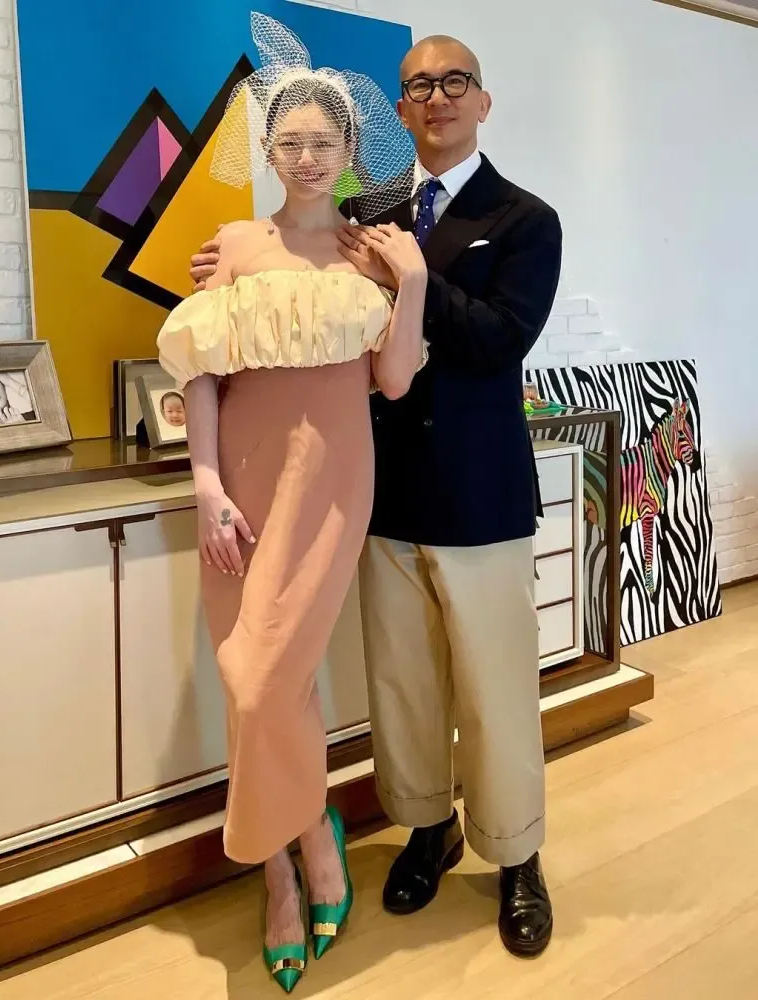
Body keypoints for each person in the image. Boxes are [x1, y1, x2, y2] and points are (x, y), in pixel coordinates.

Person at [191, 33, 562, 958]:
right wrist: (234, 274)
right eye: (419, 86)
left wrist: (413, 278)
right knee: (402, 684)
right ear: (397, 112)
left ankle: (516, 854)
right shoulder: (361, 216)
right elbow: (287, 293)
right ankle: (426, 830)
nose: (437, 97)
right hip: (377, 491)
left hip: (476, 490)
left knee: (496, 686)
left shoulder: (524, 218)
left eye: (455, 82)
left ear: (483, 100)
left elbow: (499, 341)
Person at [159, 13, 425, 993]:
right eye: (290, 142)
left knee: (274, 678)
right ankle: (292, 853)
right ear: (268, 152)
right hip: (241, 480)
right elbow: (202, 370)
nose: (307, 158)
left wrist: (413, 281)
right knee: (253, 681)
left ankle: (301, 840)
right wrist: (205, 483)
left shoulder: (371, 252)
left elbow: (393, 380)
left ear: (350, 151)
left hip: (333, 481)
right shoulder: (231, 245)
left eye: (323, 142)